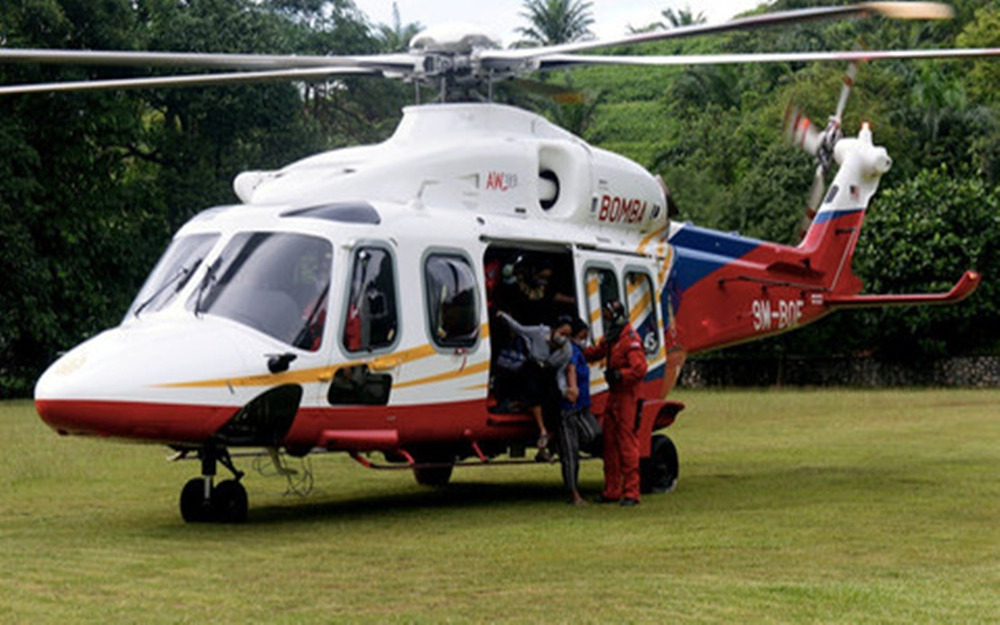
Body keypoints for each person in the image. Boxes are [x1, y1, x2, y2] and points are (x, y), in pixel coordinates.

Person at [584, 300, 648, 507]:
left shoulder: (629, 339)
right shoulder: (613, 337)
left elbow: (639, 369)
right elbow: (597, 352)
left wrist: (620, 375)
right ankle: (612, 490)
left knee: (627, 443)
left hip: (627, 396)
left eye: (608, 314)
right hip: (614, 397)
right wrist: (576, 351)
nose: (605, 317)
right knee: (609, 443)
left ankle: (632, 492)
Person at [496, 311, 573, 458]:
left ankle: (546, 444)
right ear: (554, 329)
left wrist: (564, 390)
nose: (563, 338)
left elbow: (560, 373)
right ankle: (542, 430)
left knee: (555, 401)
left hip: (549, 372)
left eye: (567, 335)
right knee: (534, 391)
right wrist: (505, 317)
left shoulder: (567, 350)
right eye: (562, 332)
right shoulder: (539, 332)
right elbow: (520, 329)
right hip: (532, 367)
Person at [556, 317, 594, 505]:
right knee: (571, 454)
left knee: (594, 434)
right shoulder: (570, 352)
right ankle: (573, 493)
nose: (584, 339)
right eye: (582, 336)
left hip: (583, 407)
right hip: (570, 408)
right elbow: (570, 370)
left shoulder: (579, 351)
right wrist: (572, 389)